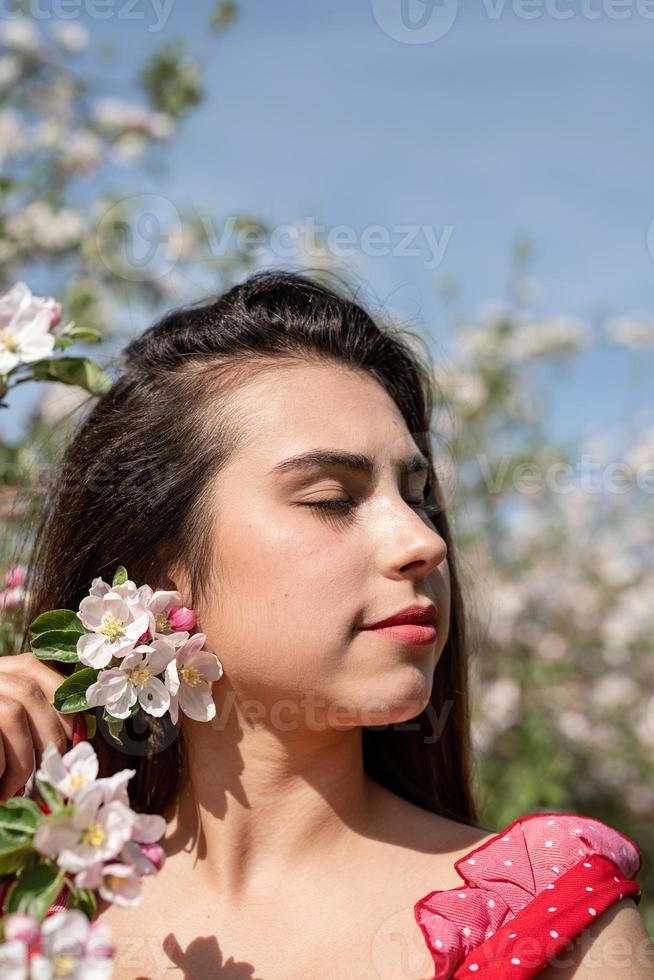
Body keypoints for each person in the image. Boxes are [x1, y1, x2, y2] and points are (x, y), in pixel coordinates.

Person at [1, 270, 650, 978]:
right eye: (331, 498)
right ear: (159, 570)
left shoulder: (548, 913)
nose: (423, 542)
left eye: (419, 496)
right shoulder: (36, 904)